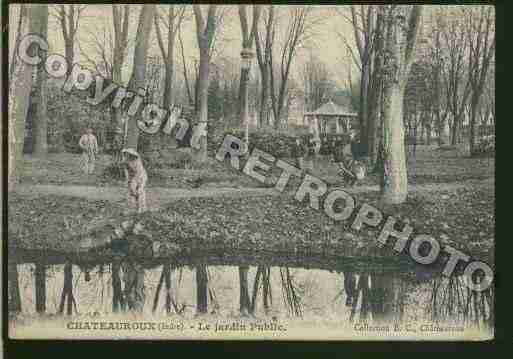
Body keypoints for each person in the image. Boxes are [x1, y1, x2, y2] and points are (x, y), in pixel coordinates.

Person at [122, 148, 148, 213]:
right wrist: (128, 180)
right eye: (126, 154)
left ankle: (142, 208)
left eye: (129, 154)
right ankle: (135, 207)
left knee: (140, 191)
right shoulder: (125, 162)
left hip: (141, 176)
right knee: (132, 191)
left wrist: (139, 184)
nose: (127, 156)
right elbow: (127, 172)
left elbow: (138, 173)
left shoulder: (137, 162)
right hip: (133, 177)